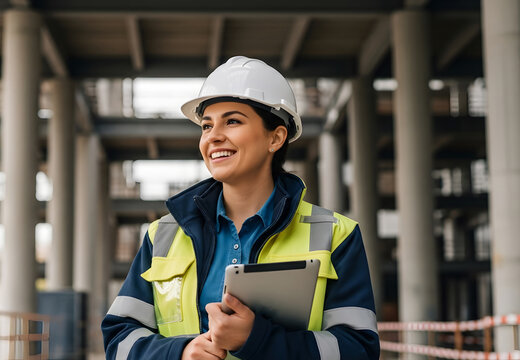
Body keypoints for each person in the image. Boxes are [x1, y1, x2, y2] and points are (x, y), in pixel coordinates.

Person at [102, 56, 379, 360]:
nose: (213, 136)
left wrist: (257, 340)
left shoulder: (336, 235)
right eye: (207, 126)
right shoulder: (162, 236)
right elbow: (119, 338)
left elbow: (359, 350)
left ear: (276, 137)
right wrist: (178, 352)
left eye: (232, 121)